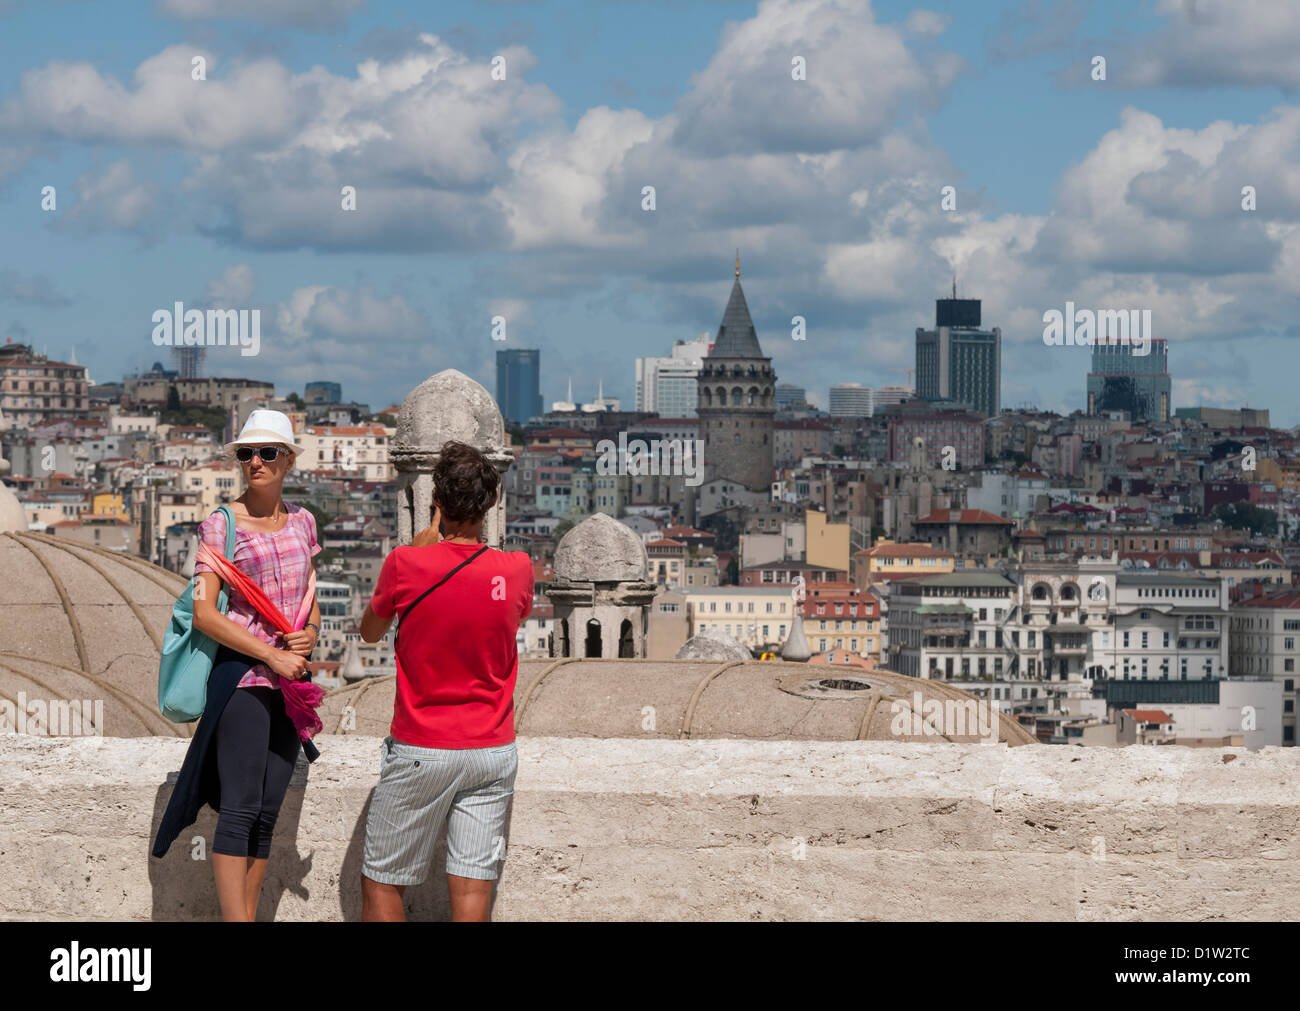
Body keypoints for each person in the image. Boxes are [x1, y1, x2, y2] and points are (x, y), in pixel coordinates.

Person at [151, 409, 322, 922]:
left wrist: (309, 633)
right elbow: (204, 613)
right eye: (246, 453)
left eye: (268, 453)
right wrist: (271, 653)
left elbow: (308, 598)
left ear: (288, 460)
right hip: (244, 681)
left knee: (268, 813)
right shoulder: (221, 525)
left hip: (289, 685)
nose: (255, 462)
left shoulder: (303, 521)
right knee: (240, 808)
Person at [358, 441, 533, 922]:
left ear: (436, 499)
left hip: (423, 746)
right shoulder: (518, 570)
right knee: (473, 891)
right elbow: (508, 618)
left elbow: (369, 633)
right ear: (492, 503)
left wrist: (417, 553)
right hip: (492, 749)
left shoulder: (405, 563)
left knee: (381, 882)